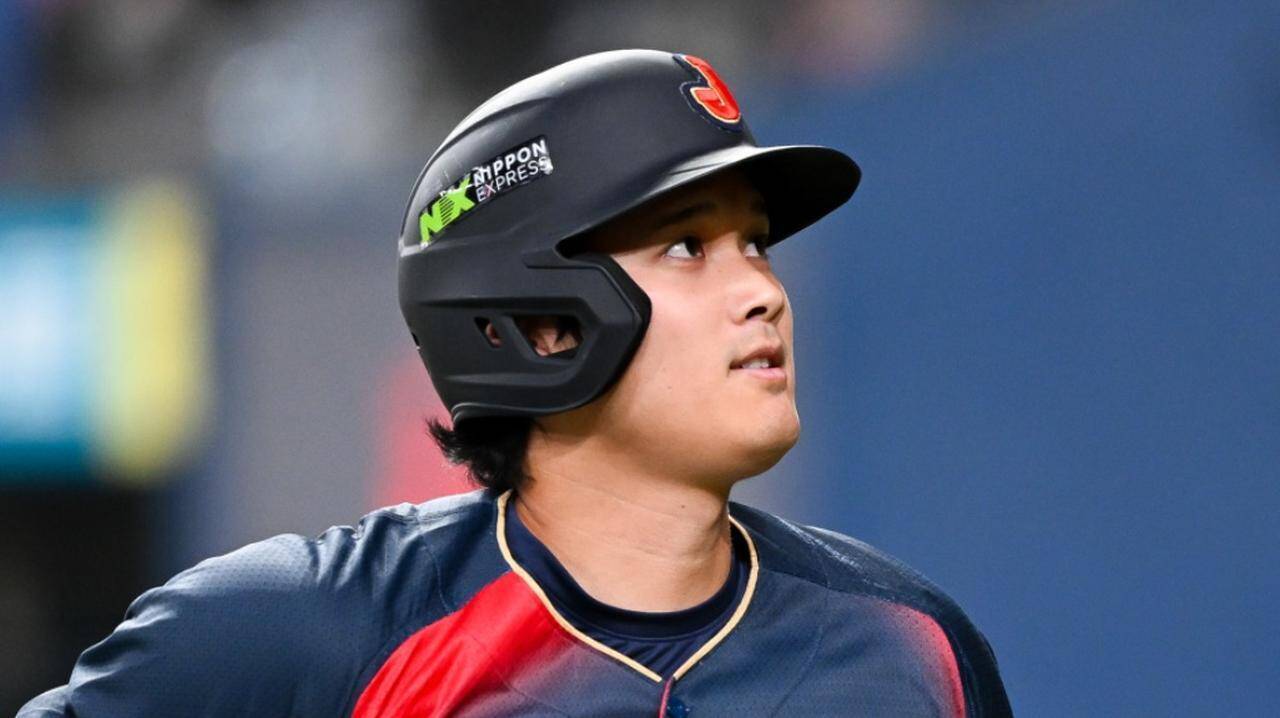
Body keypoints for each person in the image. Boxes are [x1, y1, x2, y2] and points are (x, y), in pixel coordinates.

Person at [20, 49, 1011, 717]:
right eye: (686, 246)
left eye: (755, 242)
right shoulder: (303, 632)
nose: (761, 291)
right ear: (539, 321)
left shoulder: (909, 646)